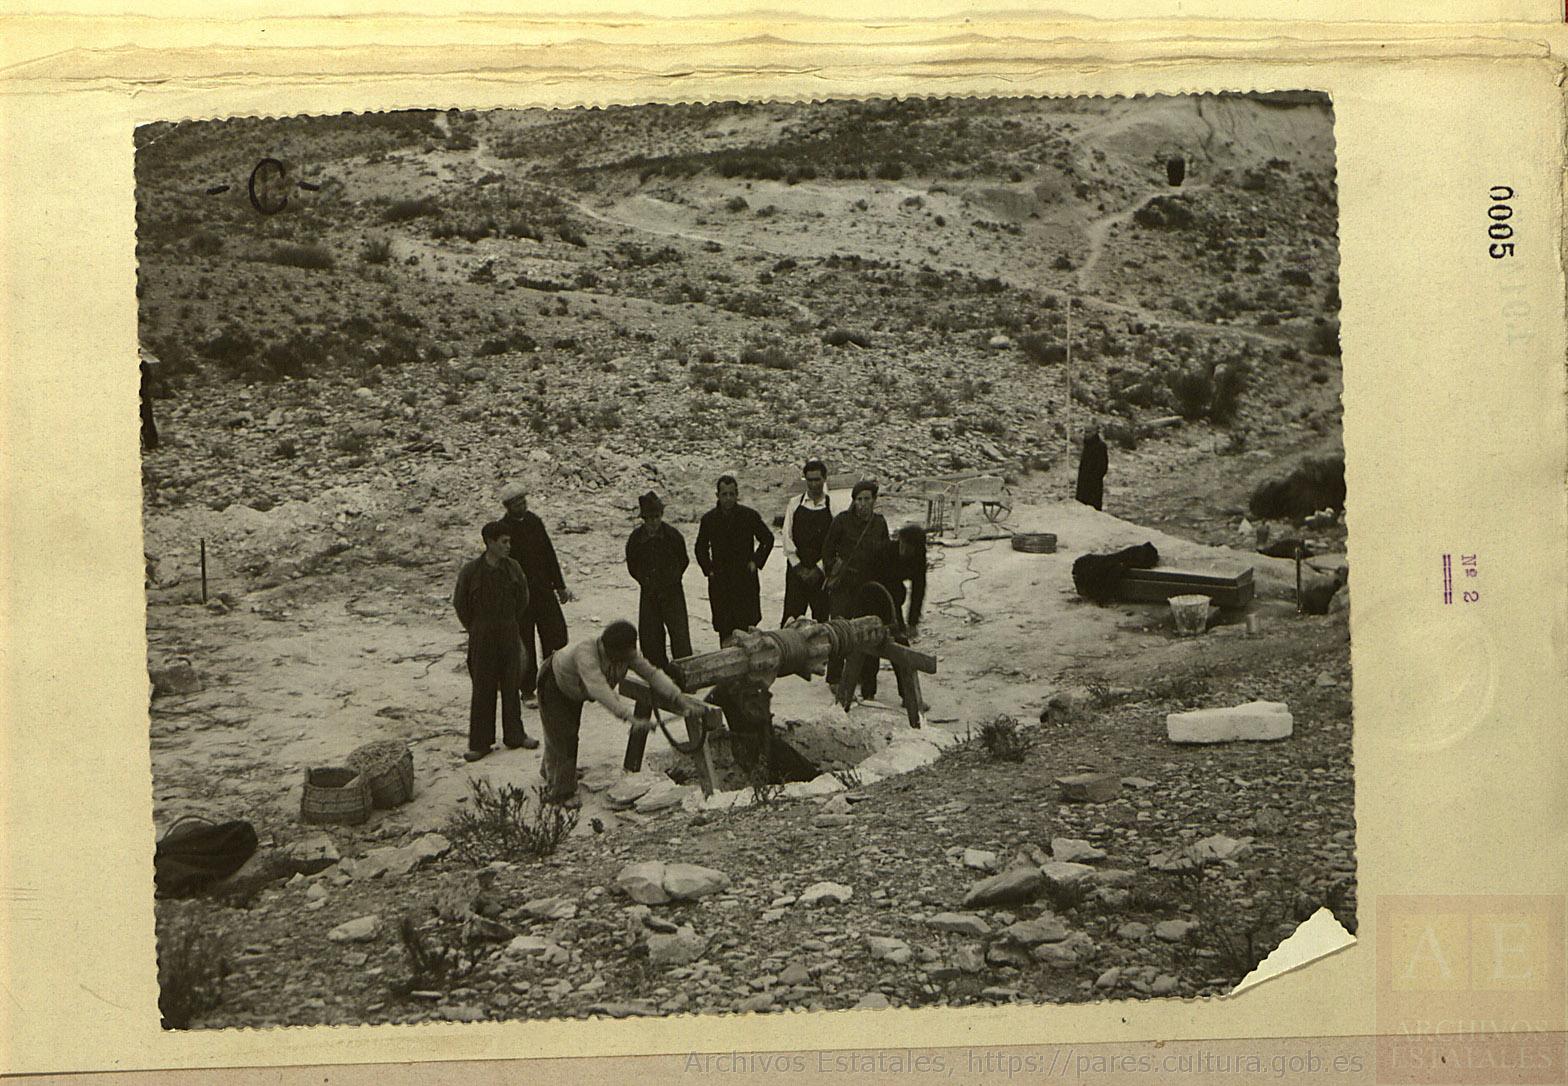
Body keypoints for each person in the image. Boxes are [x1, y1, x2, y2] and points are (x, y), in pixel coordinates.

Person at [537, 620, 709, 807]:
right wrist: (630, 718)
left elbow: (652, 674)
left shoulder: (627, 653)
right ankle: (562, 793)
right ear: (610, 649)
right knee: (563, 734)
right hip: (553, 682)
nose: (628, 659)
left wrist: (678, 698)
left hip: (574, 689)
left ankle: (552, 771)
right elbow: (599, 688)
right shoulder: (585, 653)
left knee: (564, 731)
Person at [452, 520, 531, 762]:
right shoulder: (471, 571)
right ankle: (480, 743)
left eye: (509, 541)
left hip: (508, 629)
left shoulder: (513, 568)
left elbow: (523, 599)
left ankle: (515, 736)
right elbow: (460, 603)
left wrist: (509, 623)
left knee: (511, 684)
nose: (509, 546)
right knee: (483, 688)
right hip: (482, 635)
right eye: (504, 542)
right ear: (489, 543)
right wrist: (476, 628)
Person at [498, 482, 574, 715]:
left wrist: (560, 586)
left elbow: (549, 555)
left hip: (543, 590)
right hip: (519, 596)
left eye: (524, 501)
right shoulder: (502, 529)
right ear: (508, 506)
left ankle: (554, 682)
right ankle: (528, 689)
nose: (522, 506)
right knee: (525, 643)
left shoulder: (534, 522)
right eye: (517, 503)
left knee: (556, 634)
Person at [820, 479, 892, 685]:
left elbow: (885, 552)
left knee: (868, 630)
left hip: (868, 585)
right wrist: (832, 568)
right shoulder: (842, 520)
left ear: (874, 500)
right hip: (844, 584)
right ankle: (834, 677)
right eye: (858, 499)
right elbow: (827, 549)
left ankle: (866, 677)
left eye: (867, 499)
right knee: (839, 629)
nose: (862, 503)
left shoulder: (879, 522)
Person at [694, 475, 775, 646]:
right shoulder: (709, 519)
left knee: (748, 631)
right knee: (725, 631)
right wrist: (709, 570)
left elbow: (767, 538)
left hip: (744, 579)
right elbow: (700, 547)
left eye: (732, 494)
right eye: (724, 494)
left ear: (737, 494)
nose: (728, 498)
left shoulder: (749, 516)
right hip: (721, 582)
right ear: (718, 495)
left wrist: (756, 561)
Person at [860, 524, 929, 703]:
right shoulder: (884, 552)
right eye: (902, 544)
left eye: (909, 547)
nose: (904, 550)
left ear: (918, 548)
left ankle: (908, 696)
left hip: (891, 601)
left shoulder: (919, 558)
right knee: (871, 645)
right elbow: (868, 582)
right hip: (869, 596)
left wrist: (912, 621)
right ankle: (868, 693)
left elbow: (918, 589)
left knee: (901, 649)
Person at [624, 491, 693, 674]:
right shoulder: (636, 539)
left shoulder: (673, 536)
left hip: (672, 592)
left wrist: (672, 579)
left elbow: (683, 560)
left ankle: (686, 674)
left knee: (679, 635)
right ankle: (657, 675)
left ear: (661, 516)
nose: (653, 522)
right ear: (643, 519)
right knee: (650, 636)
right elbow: (632, 565)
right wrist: (646, 581)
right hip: (649, 593)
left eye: (656, 517)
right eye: (649, 518)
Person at [780, 458, 833, 625]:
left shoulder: (833, 507)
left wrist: (820, 569)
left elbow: (836, 543)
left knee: (822, 622)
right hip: (797, 573)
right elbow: (786, 537)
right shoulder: (794, 504)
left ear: (824, 479)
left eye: (817, 480)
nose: (813, 485)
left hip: (821, 574)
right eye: (809, 480)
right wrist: (799, 567)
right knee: (791, 621)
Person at [1076, 426, 1109, 511]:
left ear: (1095, 432)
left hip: (1094, 485)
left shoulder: (1100, 446)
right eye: (1085, 432)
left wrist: (1094, 478)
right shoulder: (1086, 445)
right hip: (1083, 482)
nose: (1086, 434)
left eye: (1089, 432)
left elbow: (1103, 466)